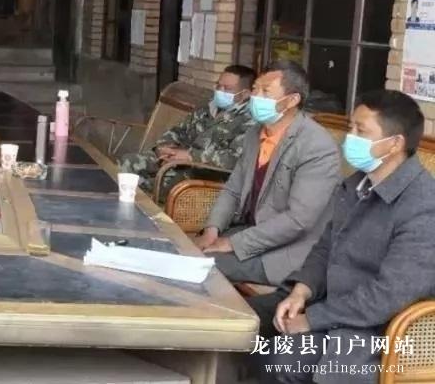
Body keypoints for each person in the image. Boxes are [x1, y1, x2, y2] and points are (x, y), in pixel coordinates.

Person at [248, 90, 435, 384]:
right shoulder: (358, 185)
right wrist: (301, 292)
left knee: (278, 360)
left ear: (395, 143)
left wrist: (312, 319)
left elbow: (389, 295)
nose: (350, 138)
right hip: (331, 304)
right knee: (245, 322)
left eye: (361, 131)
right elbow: (326, 247)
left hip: (379, 330)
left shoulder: (423, 205)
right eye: (351, 128)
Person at [193, 60, 340, 286]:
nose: (256, 97)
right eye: (255, 89)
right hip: (250, 233)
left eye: (266, 91)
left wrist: (233, 244)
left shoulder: (316, 145)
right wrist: (212, 230)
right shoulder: (255, 133)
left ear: (292, 100)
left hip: (286, 252)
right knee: (185, 249)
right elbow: (233, 190)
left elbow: (298, 220)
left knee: (201, 265)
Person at [120, 65, 257, 197]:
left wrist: (190, 156)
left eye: (227, 89)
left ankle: (141, 206)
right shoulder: (208, 107)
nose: (220, 91)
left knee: (154, 184)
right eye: (218, 86)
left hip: (206, 173)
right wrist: (166, 147)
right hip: (178, 161)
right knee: (128, 162)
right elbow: (179, 130)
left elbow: (233, 159)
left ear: (245, 94)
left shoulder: (249, 121)